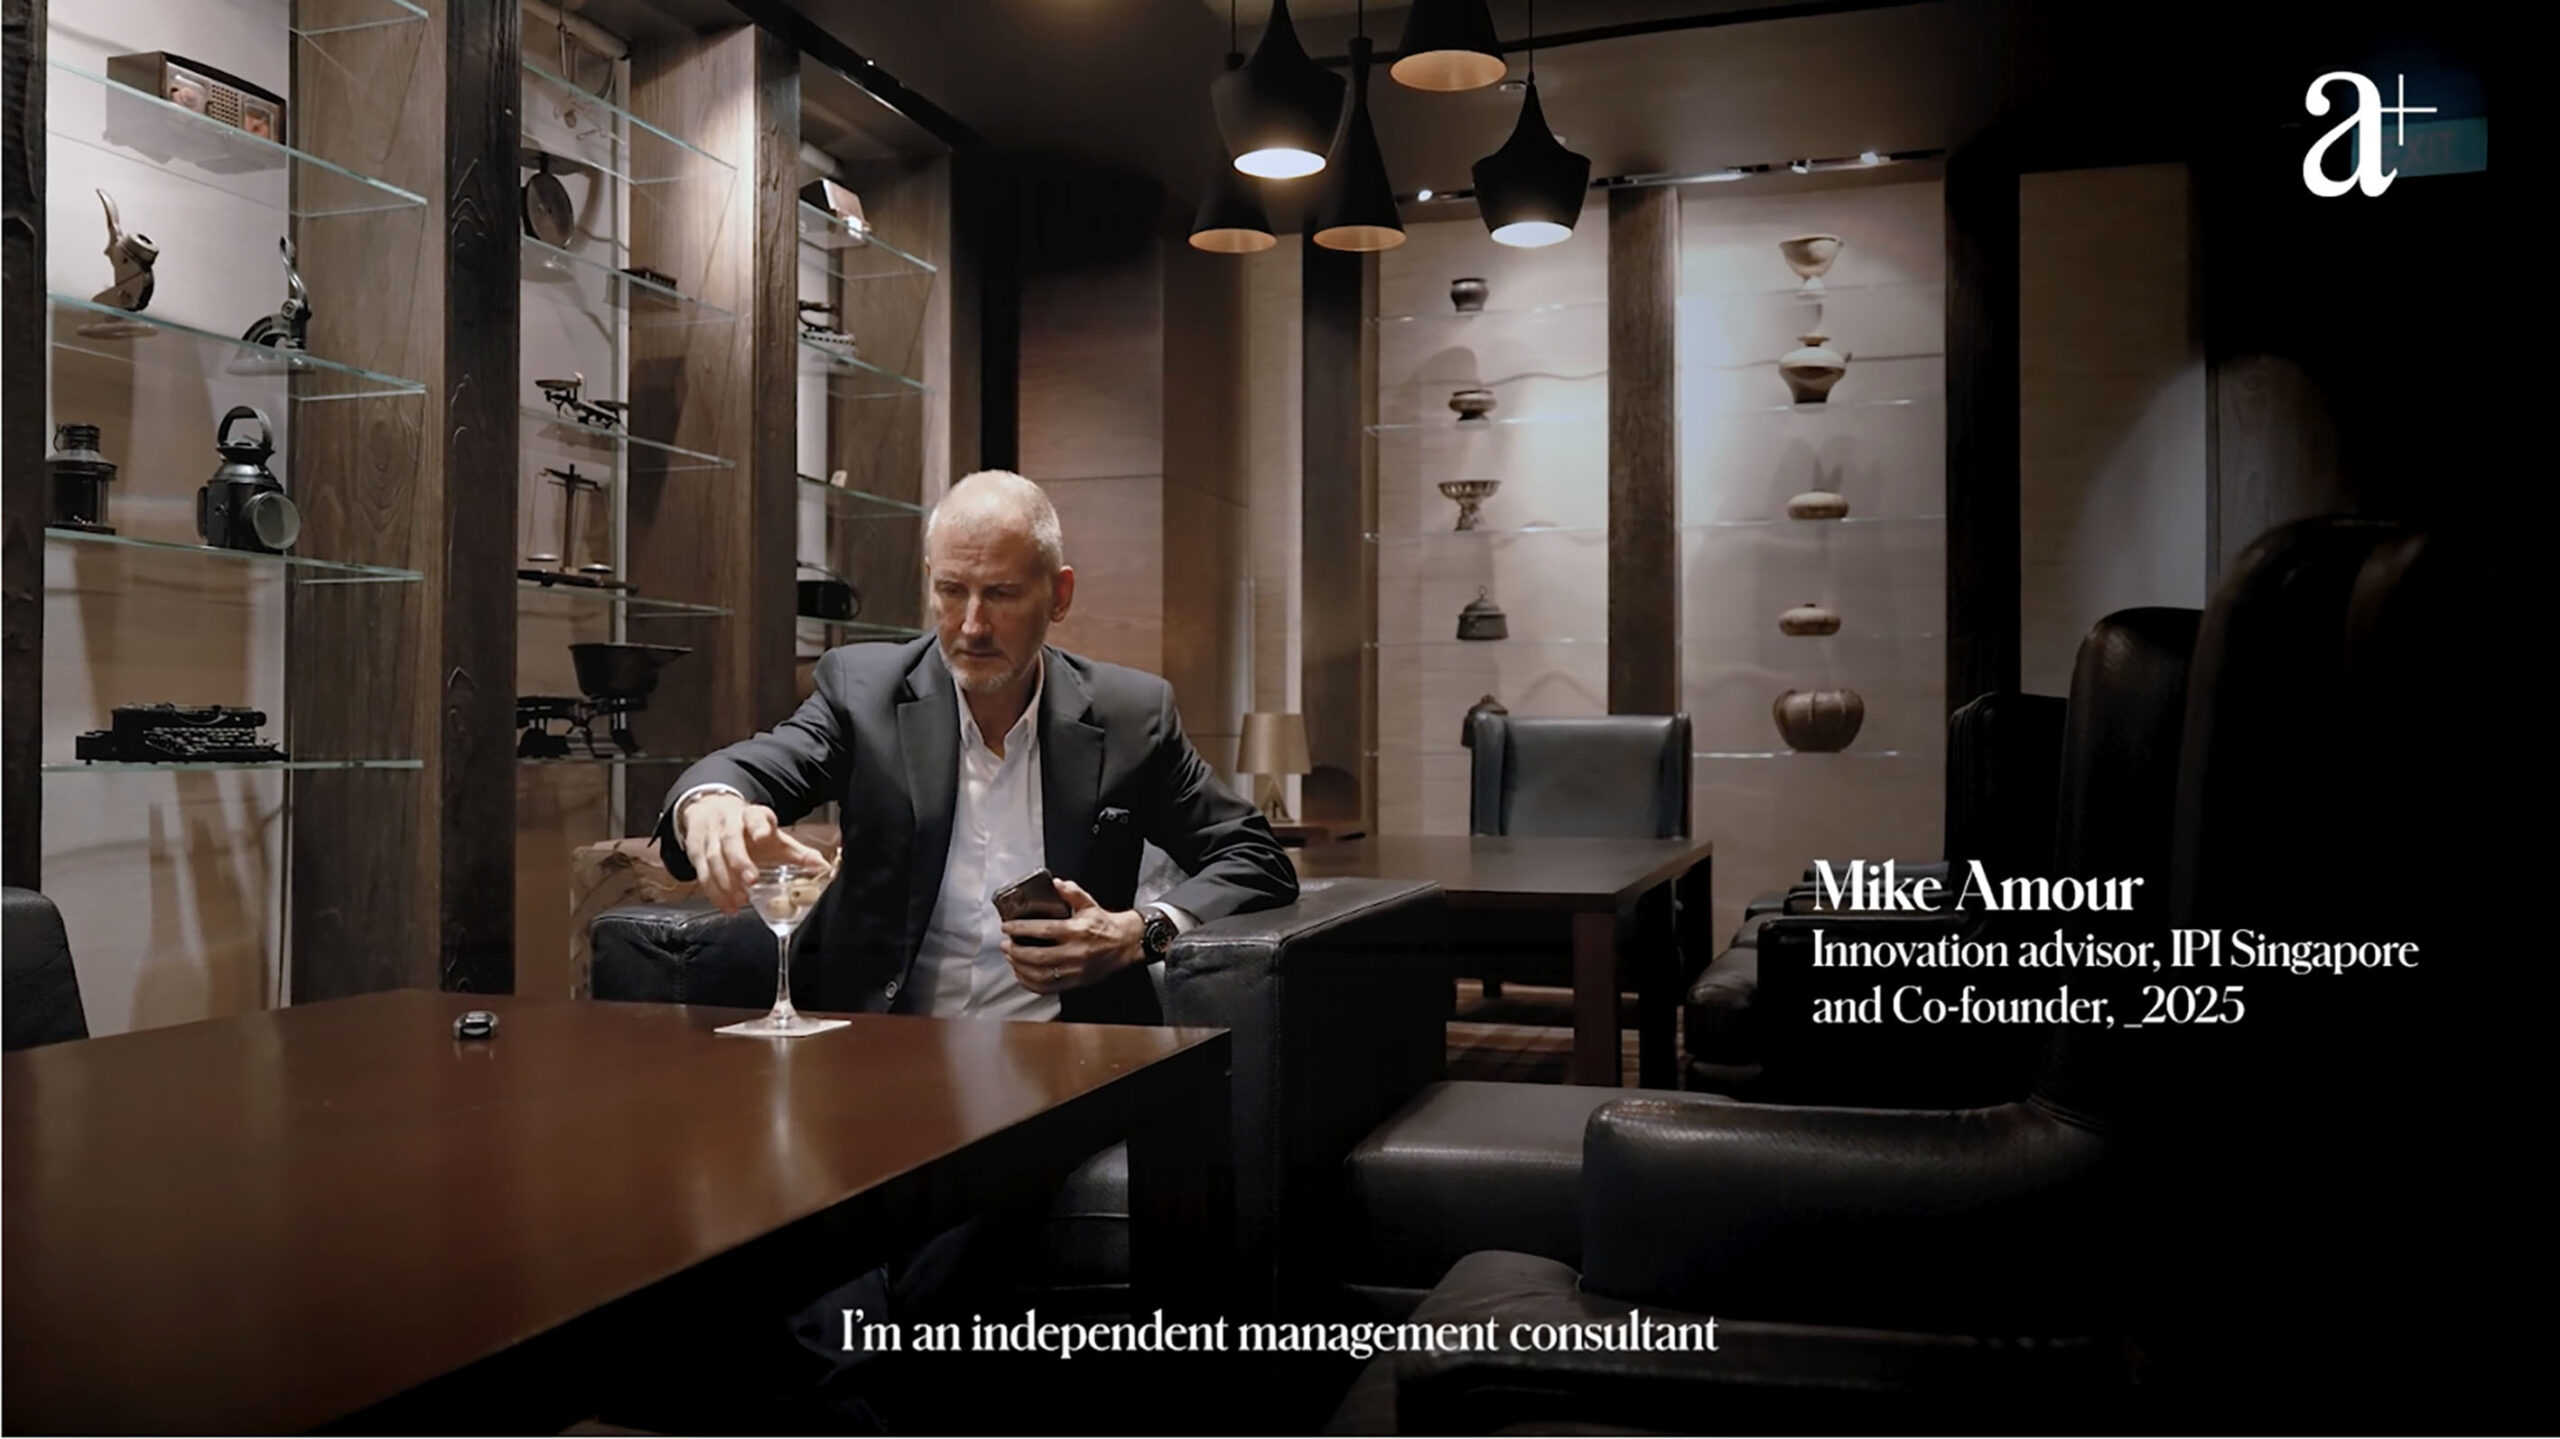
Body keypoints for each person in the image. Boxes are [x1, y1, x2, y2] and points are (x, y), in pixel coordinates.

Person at [653, 468, 1298, 1024]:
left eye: (1001, 594)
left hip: (1068, 1054)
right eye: (951, 590)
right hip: (886, 1047)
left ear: (1059, 595)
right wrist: (710, 803)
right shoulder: (865, 692)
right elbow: (767, 762)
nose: (971, 625)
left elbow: (1254, 857)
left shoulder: (1130, 716)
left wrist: (1138, 931)